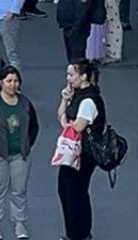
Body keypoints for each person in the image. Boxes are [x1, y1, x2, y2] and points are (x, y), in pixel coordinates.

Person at [0, 65, 39, 240]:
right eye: (9, 81)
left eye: (16, 81)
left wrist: (27, 145)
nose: (13, 85)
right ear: (1, 83)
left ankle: (20, 223)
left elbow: (34, 127)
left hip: (20, 155)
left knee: (19, 190)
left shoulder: (25, 104)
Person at [55, 58, 106, 240]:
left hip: (84, 154)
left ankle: (78, 234)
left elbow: (76, 126)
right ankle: (77, 233)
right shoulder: (78, 95)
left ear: (83, 76)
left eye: (72, 74)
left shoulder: (88, 101)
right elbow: (62, 114)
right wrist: (64, 99)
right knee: (70, 190)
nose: (69, 78)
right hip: (75, 151)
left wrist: (65, 121)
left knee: (73, 192)